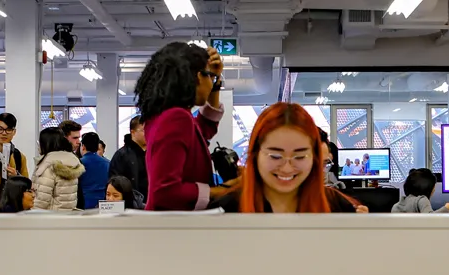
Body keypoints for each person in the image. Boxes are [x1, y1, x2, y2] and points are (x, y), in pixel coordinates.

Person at [209, 102, 358, 213]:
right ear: (255, 154)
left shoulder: (337, 207)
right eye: (275, 156)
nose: (287, 168)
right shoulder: (224, 212)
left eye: (299, 156)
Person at [136, 42, 229, 211]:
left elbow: (203, 130)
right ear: (198, 77)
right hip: (174, 228)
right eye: (210, 77)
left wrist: (215, 84)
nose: (212, 83)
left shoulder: (162, 116)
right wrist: (223, 191)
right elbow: (165, 192)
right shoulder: (177, 118)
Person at [31, 127, 85, 211]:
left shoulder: (48, 166)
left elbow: (41, 200)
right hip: (67, 216)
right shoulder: (72, 162)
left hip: (50, 218)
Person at [110, 116, 149, 202]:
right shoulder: (121, 155)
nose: (149, 133)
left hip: (150, 204)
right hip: (131, 205)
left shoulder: (152, 153)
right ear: (133, 132)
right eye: (144, 130)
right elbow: (115, 183)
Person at [79, 132, 110, 209]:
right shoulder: (107, 163)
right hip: (103, 202)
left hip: (84, 201)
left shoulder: (79, 163)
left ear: (83, 146)